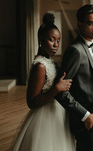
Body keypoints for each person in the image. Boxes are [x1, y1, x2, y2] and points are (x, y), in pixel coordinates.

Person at [11, 13, 76, 151]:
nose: (56, 44)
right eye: (51, 39)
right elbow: (32, 102)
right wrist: (56, 89)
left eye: (58, 40)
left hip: (58, 112)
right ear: (41, 40)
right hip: (44, 117)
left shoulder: (49, 61)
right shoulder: (40, 66)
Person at [56, 4, 93, 151]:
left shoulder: (89, 45)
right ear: (80, 24)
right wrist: (85, 116)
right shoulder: (75, 51)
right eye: (91, 24)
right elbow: (61, 91)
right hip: (85, 118)